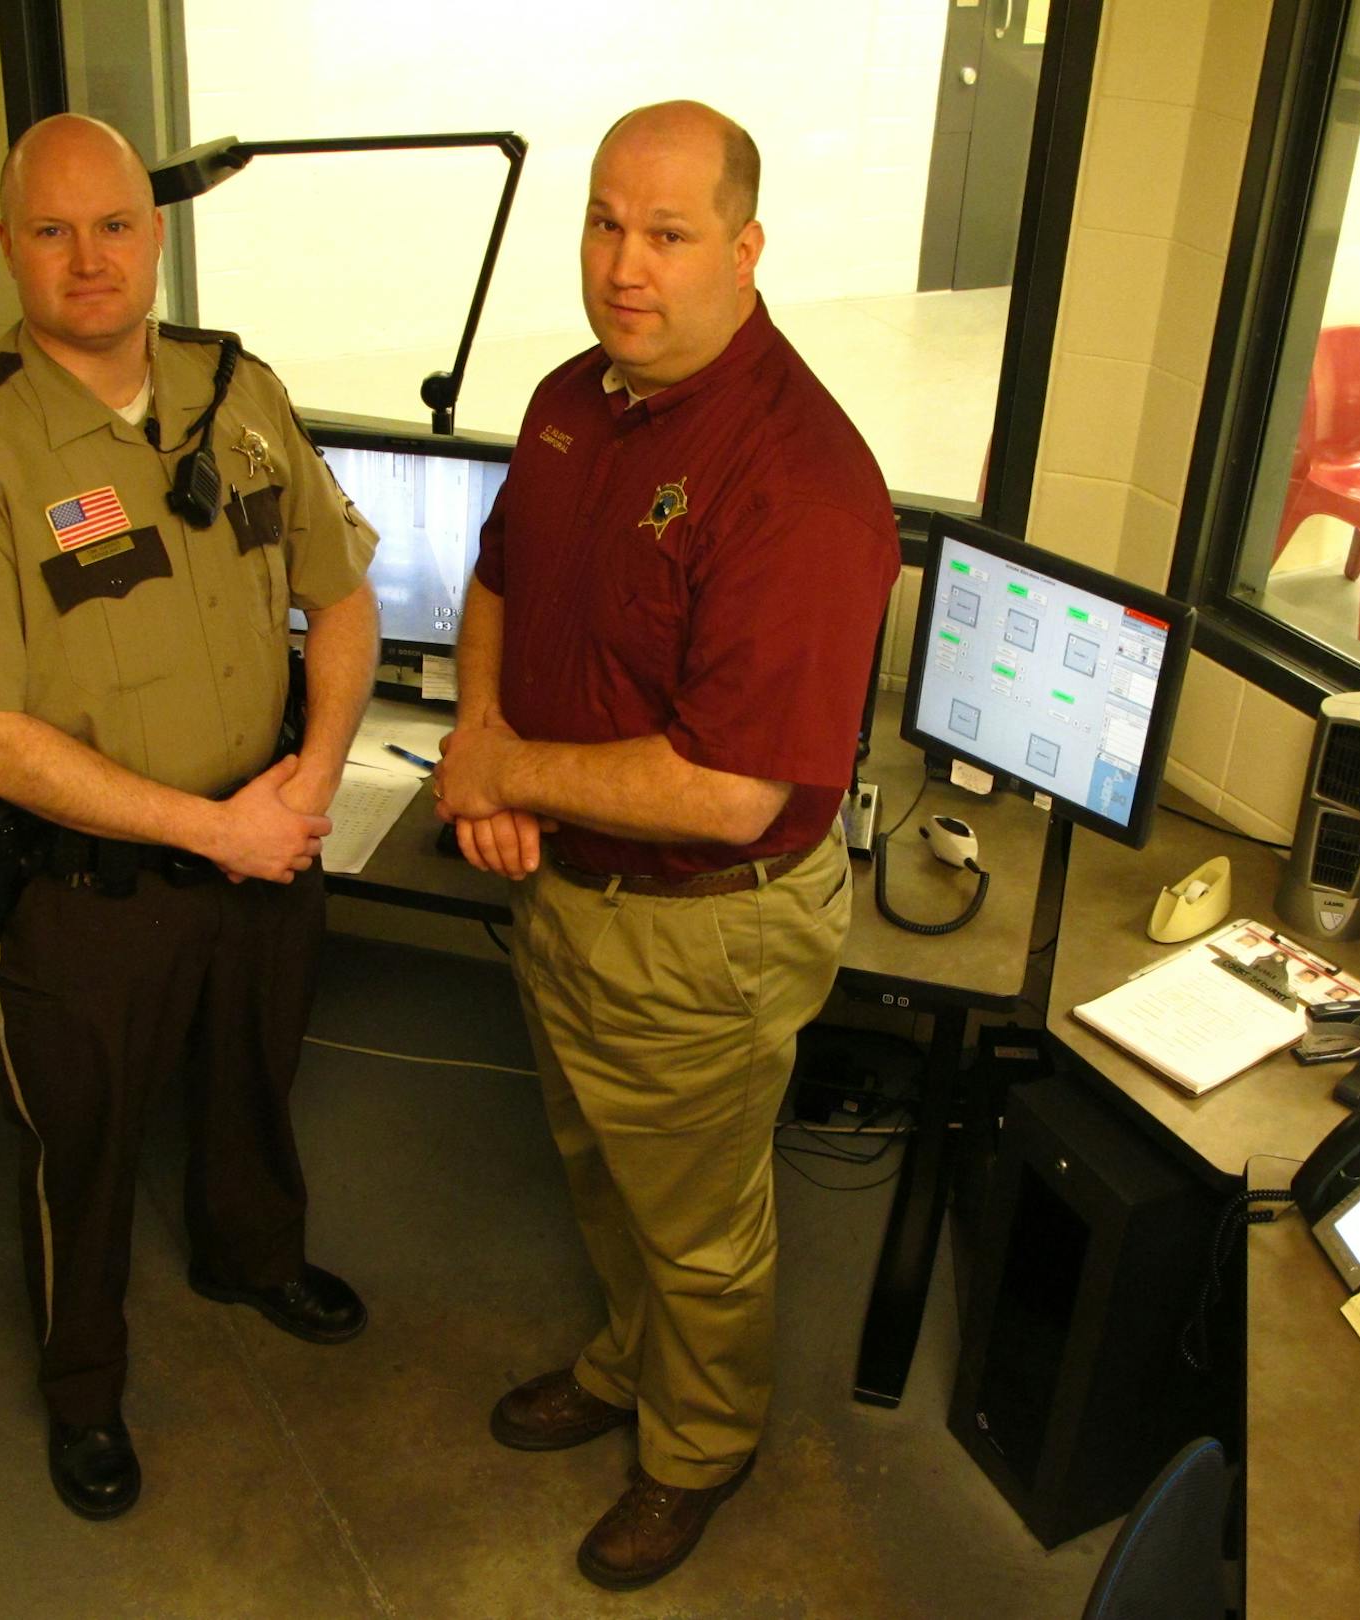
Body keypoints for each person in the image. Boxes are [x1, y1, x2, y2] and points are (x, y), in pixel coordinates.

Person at [0, 114, 380, 1521]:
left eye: (114, 226)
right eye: (52, 230)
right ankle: (84, 1388)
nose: (88, 259)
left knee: (254, 1081)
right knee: (81, 1153)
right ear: (8, 245)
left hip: (269, 841)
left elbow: (340, 597)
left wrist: (314, 777)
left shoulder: (240, 390)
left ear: (155, 234)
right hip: (86, 892)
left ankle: (253, 1259)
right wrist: (212, 832)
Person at [433, 100, 900, 1589]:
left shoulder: (800, 483)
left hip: (705, 924)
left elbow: (731, 792)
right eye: (604, 223)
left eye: (669, 234)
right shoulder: (576, 397)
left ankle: (698, 1446)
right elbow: (501, 579)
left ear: (747, 250)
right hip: (565, 884)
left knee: (697, 1221)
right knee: (602, 1167)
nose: (623, 265)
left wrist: (505, 769)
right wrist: (482, 747)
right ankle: (628, 1363)